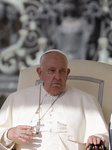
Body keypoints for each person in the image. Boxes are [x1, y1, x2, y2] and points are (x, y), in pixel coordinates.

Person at [0, 49, 108, 150]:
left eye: (62, 71)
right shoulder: (16, 99)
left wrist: (96, 138)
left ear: (67, 73)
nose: (57, 76)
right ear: (40, 73)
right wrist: (10, 133)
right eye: (52, 71)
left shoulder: (86, 101)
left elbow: (103, 136)